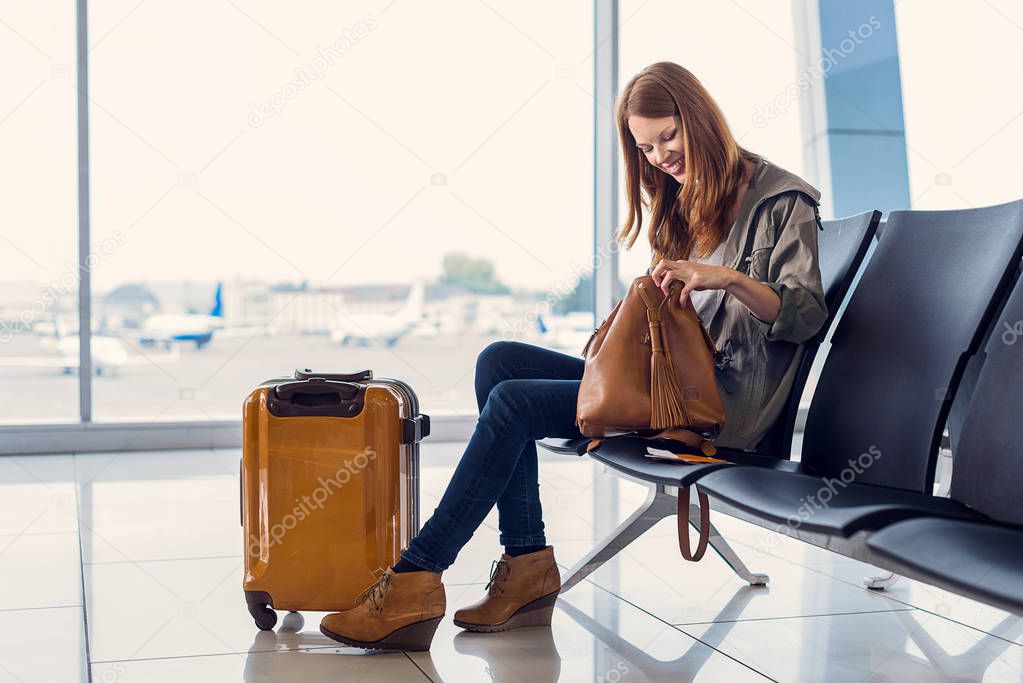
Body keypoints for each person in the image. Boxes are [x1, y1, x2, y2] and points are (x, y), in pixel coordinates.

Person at [318, 61, 828, 651]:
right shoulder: (684, 200)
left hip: (717, 407)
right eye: (645, 147)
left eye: (669, 136)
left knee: (513, 403)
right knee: (499, 361)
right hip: (668, 385)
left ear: (701, 120)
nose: (660, 156)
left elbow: (806, 316)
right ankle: (527, 562)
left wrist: (725, 278)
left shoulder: (781, 199)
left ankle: (416, 577)